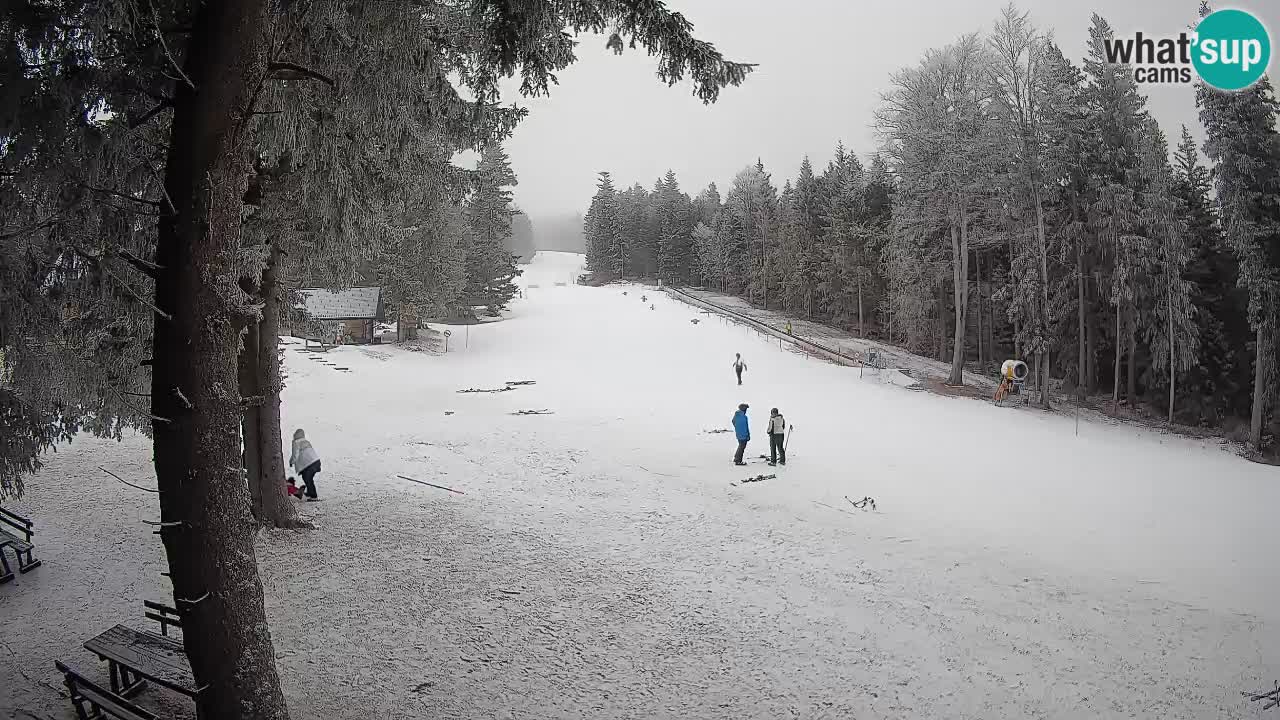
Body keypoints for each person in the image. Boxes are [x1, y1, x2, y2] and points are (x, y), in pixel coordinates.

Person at [289, 428, 322, 500]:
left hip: (309, 464)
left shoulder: (296, 442)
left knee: (308, 479)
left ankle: (313, 496)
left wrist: (291, 462)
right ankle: (310, 492)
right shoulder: (306, 441)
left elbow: (295, 455)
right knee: (307, 478)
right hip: (316, 462)